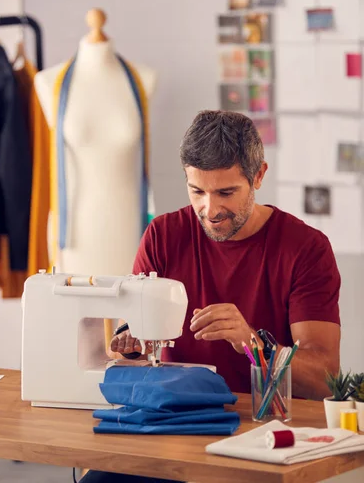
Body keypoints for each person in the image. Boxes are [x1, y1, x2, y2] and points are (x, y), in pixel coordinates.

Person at [81, 110, 341, 483]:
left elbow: (325, 378)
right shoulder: (163, 235)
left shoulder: (305, 249)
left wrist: (254, 345)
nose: (210, 210)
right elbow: (126, 354)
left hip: (259, 435)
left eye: (226, 192)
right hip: (173, 427)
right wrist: (130, 345)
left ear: (259, 177)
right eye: (197, 191)